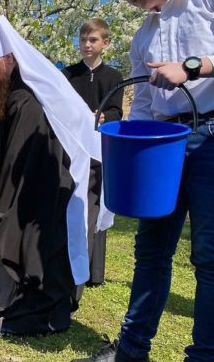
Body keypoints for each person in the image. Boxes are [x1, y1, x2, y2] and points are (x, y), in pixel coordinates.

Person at [74, 0, 214, 361]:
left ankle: (205, 357)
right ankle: (131, 353)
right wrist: (130, 147)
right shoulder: (144, 35)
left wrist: (192, 66)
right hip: (163, 143)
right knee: (150, 251)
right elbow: (145, 106)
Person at [0, 16, 111, 336]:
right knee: (25, 237)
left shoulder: (28, 96)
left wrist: (4, 209)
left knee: (38, 241)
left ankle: (36, 309)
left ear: (10, 58)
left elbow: (21, 160)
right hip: (35, 179)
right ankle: (11, 303)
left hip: (51, 181)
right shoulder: (10, 88)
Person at [62, 18, 124, 288]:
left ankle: (93, 272)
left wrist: (101, 118)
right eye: (83, 39)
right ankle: (67, 263)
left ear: (105, 43)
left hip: (99, 149)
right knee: (73, 204)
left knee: (95, 207)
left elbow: (116, 111)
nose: (87, 45)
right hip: (72, 146)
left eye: (93, 40)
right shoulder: (68, 74)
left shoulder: (114, 77)